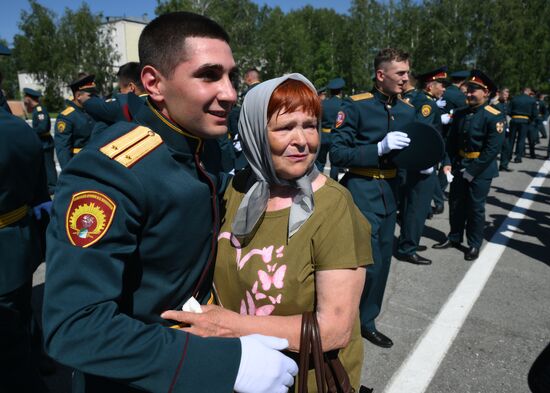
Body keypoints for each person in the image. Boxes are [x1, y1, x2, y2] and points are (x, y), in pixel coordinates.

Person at [43, 11, 297, 393]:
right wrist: (224, 365)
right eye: (209, 75)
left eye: (231, 75)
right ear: (153, 83)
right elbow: (75, 326)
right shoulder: (110, 171)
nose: (229, 92)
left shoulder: (207, 146)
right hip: (141, 374)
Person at [161, 74, 372, 391]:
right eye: (286, 127)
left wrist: (232, 326)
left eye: (310, 125)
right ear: (254, 134)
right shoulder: (238, 188)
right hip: (236, 369)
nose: (303, 140)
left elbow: (334, 329)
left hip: (302, 379)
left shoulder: (333, 207)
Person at [330, 48, 416, 348]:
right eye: (400, 73)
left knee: (381, 264)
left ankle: (367, 320)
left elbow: (412, 153)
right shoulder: (356, 107)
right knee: (360, 263)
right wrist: (377, 149)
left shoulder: (407, 110)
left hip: (390, 193)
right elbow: (337, 153)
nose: (406, 78)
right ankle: (342, 319)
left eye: (407, 72)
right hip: (361, 189)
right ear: (381, 75)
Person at [0, 105, 51, 392]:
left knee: (6, 340)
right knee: (21, 306)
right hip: (20, 238)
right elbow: (39, 192)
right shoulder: (22, 129)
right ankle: (38, 357)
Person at [433, 70, 505, 261]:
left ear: (486, 93)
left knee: (475, 207)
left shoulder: (494, 115)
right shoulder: (460, 113)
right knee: (456, 204)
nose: (469, 93)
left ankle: (474, 244)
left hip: (480, 170)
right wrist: (447, 163)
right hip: (459, 165)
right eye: (468, 89)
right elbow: (451, 142)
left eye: (474, 90)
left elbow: (492, 150)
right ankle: (454, 237)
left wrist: (472, 171)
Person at [395, 67, 447, 265]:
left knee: (410, 205)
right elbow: (421, 134)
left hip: (410, 163)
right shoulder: (425, 102)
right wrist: (425, 162)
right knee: (417, 207)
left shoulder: (412, 99)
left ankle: (407, 241)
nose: (443, 89)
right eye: (440, 85)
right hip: (421, 164)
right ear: (430, 85)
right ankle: (408, 247)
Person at [84, 62, 148, 127]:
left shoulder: (125, 104)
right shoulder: (155, 99)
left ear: (131, 87)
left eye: (120, 88)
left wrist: (86, 98)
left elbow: (96, 106)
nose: (120, 92)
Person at [54, 74, 97, 170]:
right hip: (80, 165)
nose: (95, 98)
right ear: (78, 96)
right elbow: (63, 150)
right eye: (91, 95)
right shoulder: (67, 117)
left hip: (97, 163)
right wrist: (69, 174)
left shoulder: (93, 111)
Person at [23, 88, 57, 195]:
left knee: (48, 165)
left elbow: (43, 128)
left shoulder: (40, 111)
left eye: (25, 98)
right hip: (42, 142)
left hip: (45, 143)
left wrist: (30, 132)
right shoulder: (36, 110)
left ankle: (53, 186)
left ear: (28, 99)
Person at [316, 77, 345, 179]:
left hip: (323, 136)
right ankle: (333, 184)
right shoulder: (343, 104)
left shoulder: (323, 103)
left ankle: (317, 183)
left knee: (320, 162)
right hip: (335, 136)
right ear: (340, 91)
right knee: (335, 163)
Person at [508, 87, 537, 162]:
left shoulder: (515, 98)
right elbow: (535, 114)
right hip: (525, 121)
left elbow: (509, 111)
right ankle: (518, 157)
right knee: (521, 140)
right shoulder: (532, 100)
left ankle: (508, 156)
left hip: (514, 119)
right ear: (528, 91)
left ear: (522, 91)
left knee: (511, 139)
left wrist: (514, 116)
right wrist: (529, 120)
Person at [495, 88, 512, 172]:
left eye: (507, 95)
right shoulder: (496, 104)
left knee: (506, 148)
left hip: (504, 128)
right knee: (495, 149)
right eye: (504, 95)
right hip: (498, 129)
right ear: (500, 94)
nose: (506, 97)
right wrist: (500, 130)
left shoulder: (505, 104)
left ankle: (503, 166)